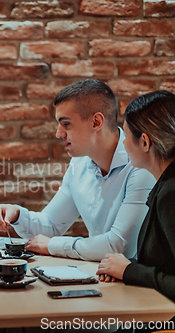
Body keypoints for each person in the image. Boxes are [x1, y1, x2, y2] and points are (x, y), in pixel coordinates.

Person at [0, 79, 156, 261]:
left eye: (66, 124)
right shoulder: (79, 165)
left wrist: (52, 245)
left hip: (138, 284)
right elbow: (52, 225)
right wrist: (16, 214)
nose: (58, 133)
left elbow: (120, 246)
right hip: (101, 276)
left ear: (96, 122)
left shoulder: (141, 165)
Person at [97, 90, 175, 302]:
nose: (123, 143)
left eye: (126, 135)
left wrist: (129, 271)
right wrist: (121, 267)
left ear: (145, 142)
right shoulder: (165, 185)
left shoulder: (171, 193)